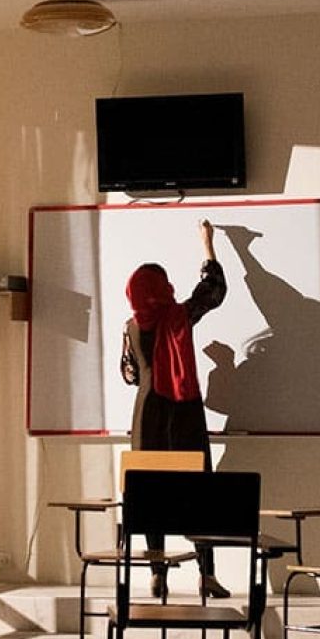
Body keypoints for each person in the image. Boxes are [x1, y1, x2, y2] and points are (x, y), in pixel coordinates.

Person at [119, 219, 230, 599]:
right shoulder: (179, 316)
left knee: (150, 491)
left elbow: (130, 375)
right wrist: (207, 244)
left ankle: (157, 574)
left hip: (147, 415)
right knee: (197, 491)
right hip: (182, 413)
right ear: (161, 289)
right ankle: (207, 574)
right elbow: (213, 290)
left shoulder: (131, 327)